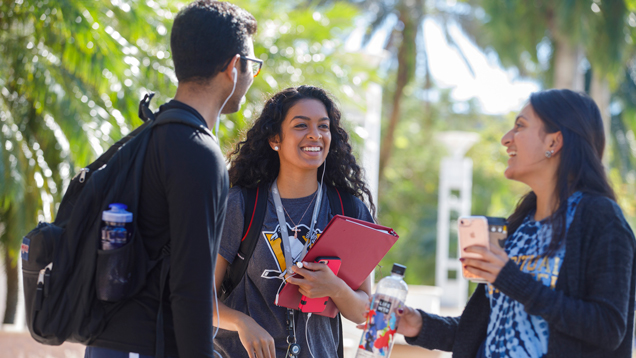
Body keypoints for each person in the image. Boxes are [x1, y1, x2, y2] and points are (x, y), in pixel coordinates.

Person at [395, 89, 636, 358]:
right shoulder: (519, 224)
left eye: (519, 127)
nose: (505, 139)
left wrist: (510, 279)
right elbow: (482, 331)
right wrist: (418, 324)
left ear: (554, 143)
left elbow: (608, 328)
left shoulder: (601, 219)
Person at [85, 1, 259, 357]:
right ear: (234, 67)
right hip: (149, 345)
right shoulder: (198, 152)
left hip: (109, 343)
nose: (252, 76)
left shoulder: (148, 135)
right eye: (252, 66)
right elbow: (191, 287)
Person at [213, 85, 377, 358]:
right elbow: (198, 299)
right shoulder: (241, 206)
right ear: (275, 139)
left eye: (323, 127)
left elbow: (364, 310)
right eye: (301, 125)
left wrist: (334, 287)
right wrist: (243, 323)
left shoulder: (349, 210)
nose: (315, 134)